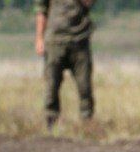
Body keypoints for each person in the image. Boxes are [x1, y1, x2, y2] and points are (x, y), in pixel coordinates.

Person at [35, 0, 95, 129]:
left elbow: (89, 3)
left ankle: (87, 123)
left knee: (85, 87)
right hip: (55, 41)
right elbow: (41, 10)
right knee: (51, 86)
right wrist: (39, 38)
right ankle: (51, 124)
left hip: (79, 40)